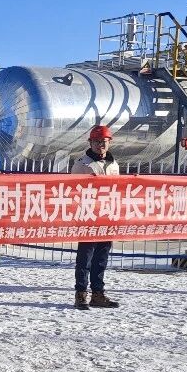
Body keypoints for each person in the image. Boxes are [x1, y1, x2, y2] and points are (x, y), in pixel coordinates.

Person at [72, 125, 121, 310]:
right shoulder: (81, 164)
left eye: (104, 141)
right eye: (97, 141)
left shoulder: (114, 164)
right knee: (85, 257)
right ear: (90, 143)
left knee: (101, 257)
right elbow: (72, 190)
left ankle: (98, 294)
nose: (101, 145)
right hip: (88, 216)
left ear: (109, 143)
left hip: (107, 216)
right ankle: (81, 294)